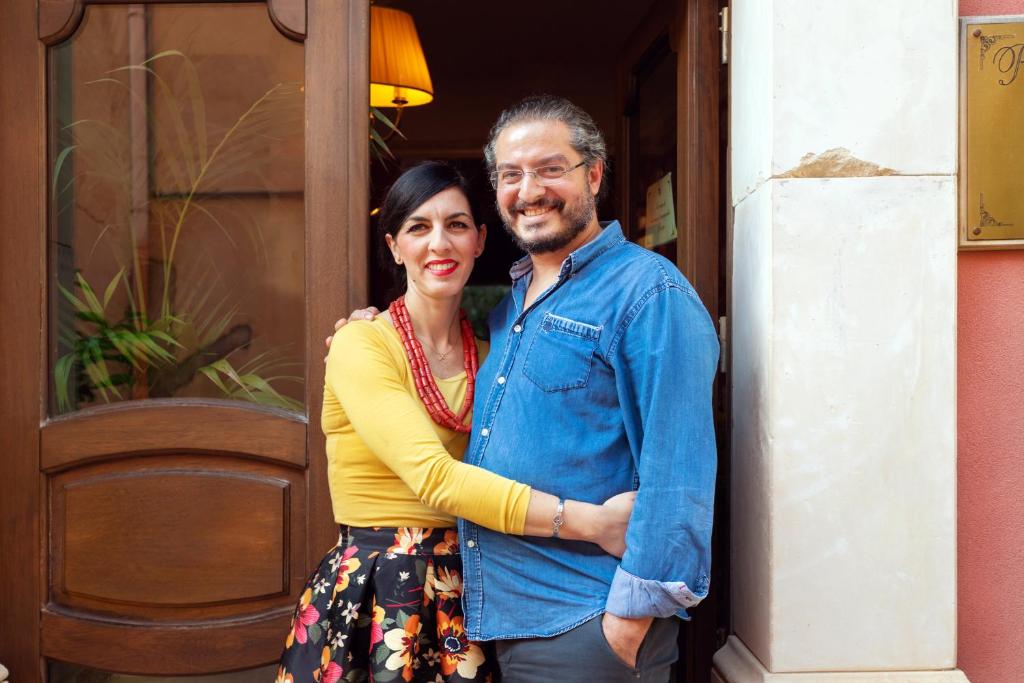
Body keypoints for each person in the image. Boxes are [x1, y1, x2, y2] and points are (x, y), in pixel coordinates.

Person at [333, 95, 719, 682]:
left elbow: (678, 472)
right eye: (511, 174)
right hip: (490, 621)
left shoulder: (647, 292)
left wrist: (627, 623)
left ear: (593, 174)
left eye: (550, 168)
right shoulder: (507, 313)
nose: (529, 188)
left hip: (585, 622)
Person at [276, 161, 635, 683]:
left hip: (483, 585)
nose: (438, 243)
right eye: (418, 228)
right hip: (382, 589)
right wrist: (594, 524)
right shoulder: (363, 343)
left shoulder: (492, 356)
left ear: (481, 240)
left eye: (457, 225)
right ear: (395, 247)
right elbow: (435, 478)